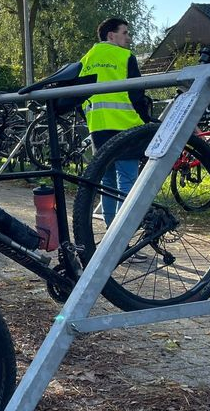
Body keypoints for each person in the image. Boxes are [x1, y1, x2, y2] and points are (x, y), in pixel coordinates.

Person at [78, 18, 151, 258]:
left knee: (107, 185)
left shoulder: (86, 59)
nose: (128, 38)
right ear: (111, 36)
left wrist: (90, 118)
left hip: (98, 128)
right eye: (125, 33)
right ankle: (121, 242)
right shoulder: (124, 57)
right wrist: (146, 119)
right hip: (125, 126)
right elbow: (137, 93)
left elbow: (77, 95)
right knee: (128, 184)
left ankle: (111, 240)